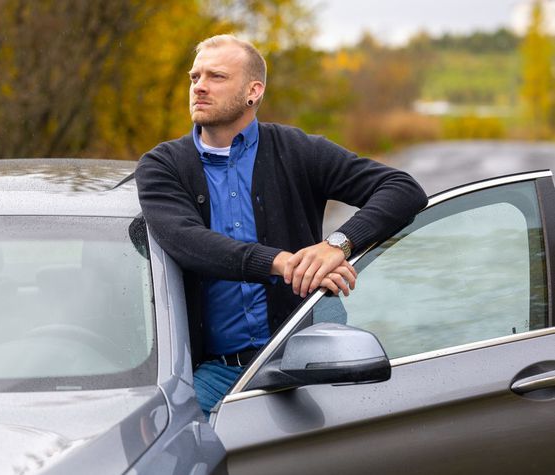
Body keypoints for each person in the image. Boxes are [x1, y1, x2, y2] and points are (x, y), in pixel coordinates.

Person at [134, 34, 427, 417]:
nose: (200, 87)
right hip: (217, 372)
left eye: (216, 77)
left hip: (312, 357)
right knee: (176, 443)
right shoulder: (163, 166)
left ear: (253, 91)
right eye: (195, 77)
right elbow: (188, 241)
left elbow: (402, 189)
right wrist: (282, 263)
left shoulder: (297, 149)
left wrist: (337, 244)